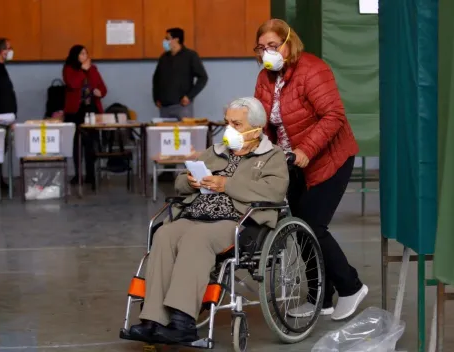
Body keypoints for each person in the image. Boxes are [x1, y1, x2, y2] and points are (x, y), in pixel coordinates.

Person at [127, 97, 289, 344]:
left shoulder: (271, 156)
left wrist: (227, 184)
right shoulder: (215, 152)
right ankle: (153, 319)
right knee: (164, 234)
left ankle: (182, 321)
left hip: (238, 220)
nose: (229, 129)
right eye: (227, 123)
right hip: (196, 213)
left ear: (256, 128)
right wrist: (190, 181)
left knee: (196, 239)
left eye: (237, 124)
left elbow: (274, 192)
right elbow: (180, 181)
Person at [254, 19, 368, 321]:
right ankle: (321, 297)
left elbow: (333, 115)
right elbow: (262, 120)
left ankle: (351, 287)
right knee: (299, 229)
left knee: (313, 225)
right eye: (262, 48)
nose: (267, 53)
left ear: (290, 43)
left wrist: (306, 150)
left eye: (273, 46)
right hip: (292, 163)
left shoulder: (312, 70)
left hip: (330, 158)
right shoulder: (265, 78)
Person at [63, 45, 107, 189]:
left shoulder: (93, 69)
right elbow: (73, 84)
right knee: (77, 144)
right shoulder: (69, 68)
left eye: (86, 54)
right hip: (75, 112)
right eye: (82, 54)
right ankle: (78, 174)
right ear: (76, 55)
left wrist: (100, 92)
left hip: (91, 110)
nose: (85, 56)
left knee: (90, 143)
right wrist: (83, 70)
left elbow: (103, 88)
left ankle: (90, 174)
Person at [153, 28, 208, 119]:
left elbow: (203, 77)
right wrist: (156, 98)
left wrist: (189, 96)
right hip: (164, 107)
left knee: (184, 133)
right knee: (166, 133)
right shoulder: (164, 57)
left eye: (167, 38)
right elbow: (156, 79)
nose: (165, 41)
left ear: (176, 39)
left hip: (182, 106)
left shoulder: (190, 56)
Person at [0, 38, 16, 190]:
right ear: (1, 51)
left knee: (1, 150)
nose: (10, 51)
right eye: (8, 48)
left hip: (6, 117)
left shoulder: (2, 68)